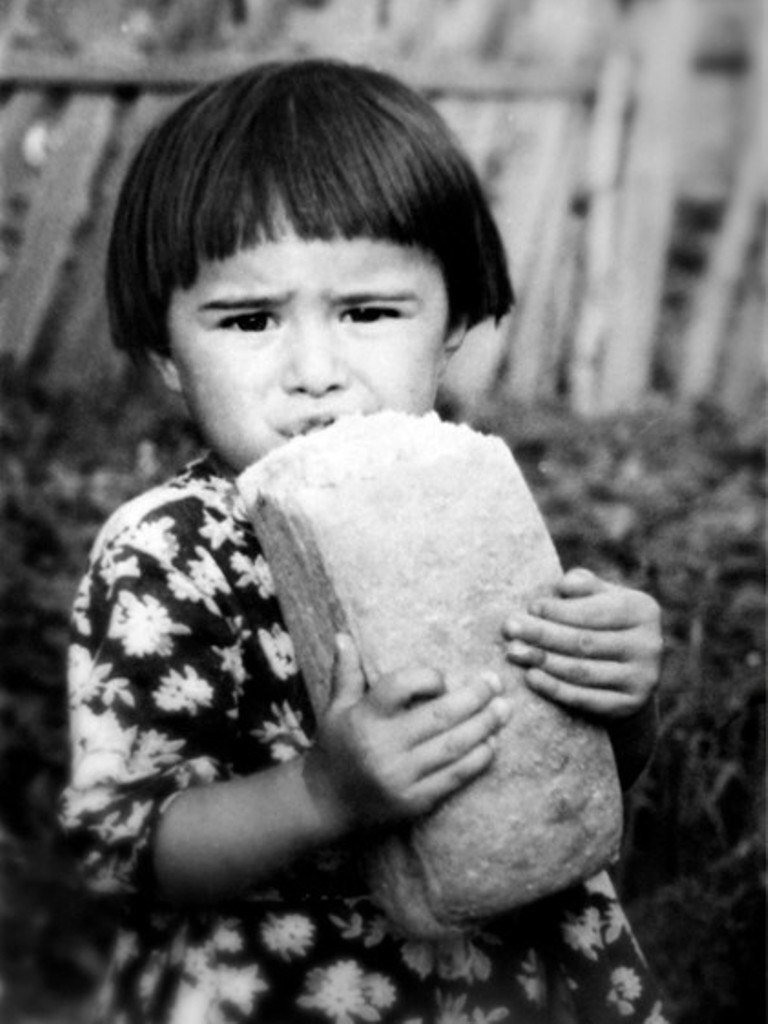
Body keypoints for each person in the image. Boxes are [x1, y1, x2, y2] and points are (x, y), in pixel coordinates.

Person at [61, 59, 668, 1024]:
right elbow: (129, 850)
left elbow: (566, 780)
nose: (315, 373)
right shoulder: (165, 554)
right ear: (165, 354)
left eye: (368, 312)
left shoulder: (469, 504)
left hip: (525, 981)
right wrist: (319, 794)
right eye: (251, 318)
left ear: (455, 321)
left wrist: (616, 699)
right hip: (300, 989)